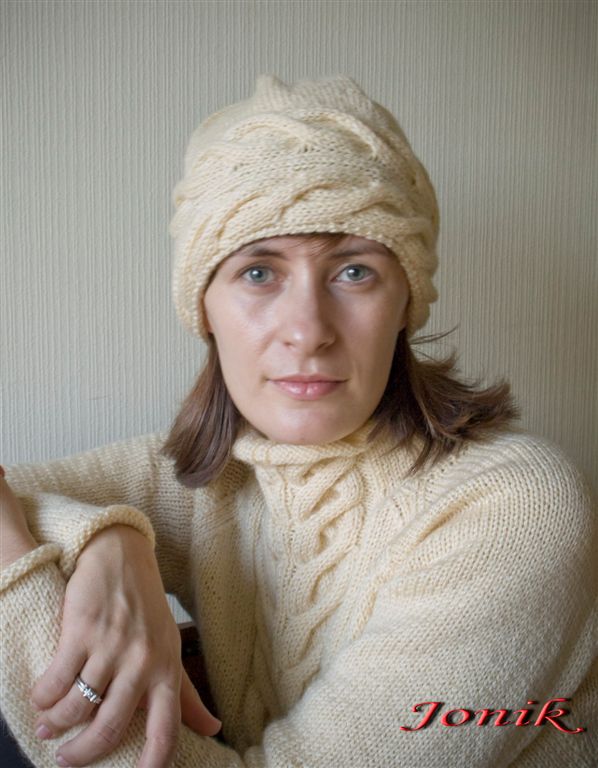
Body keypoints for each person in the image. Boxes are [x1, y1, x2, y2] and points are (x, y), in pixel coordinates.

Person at [1, 75, 596, 768]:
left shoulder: (513, 508)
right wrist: (110, 539)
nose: (308, 331)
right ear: (204, 310)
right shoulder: (214, 478)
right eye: (259, 273)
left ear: (405, 303)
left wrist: (25, 563)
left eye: (354, 272)